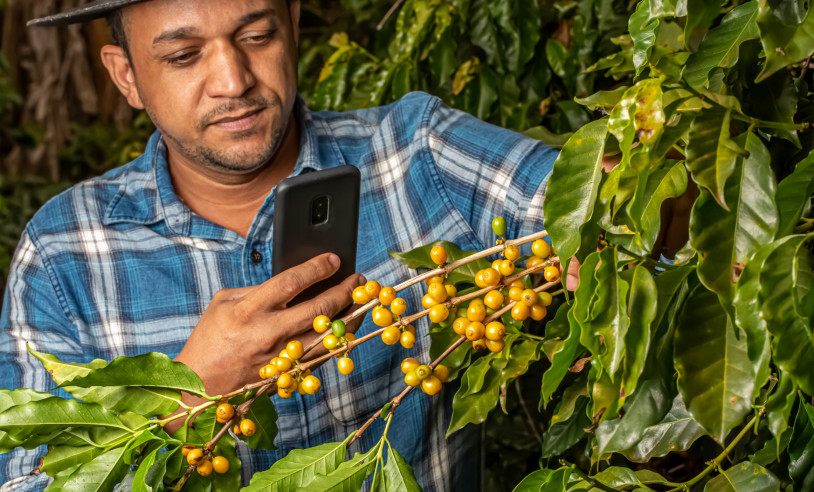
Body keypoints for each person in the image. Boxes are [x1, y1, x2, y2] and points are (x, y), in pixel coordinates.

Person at [2, 0, 696, 490]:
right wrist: (184, 397)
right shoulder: (67, 256)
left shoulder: (416, 152)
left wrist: (644, 197)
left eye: (256, 35)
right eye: (183, 55)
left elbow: (621, 208)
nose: (233, 80)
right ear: (125, 75)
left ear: (293, 23)